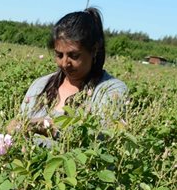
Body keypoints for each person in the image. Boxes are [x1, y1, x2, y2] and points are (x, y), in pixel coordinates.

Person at [13, 7, 127, 137]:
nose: (65, 63)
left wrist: (39, 125)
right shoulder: (40, 85)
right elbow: (15, 127)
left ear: (94, 50)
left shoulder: (110, 90)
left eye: (74, 55)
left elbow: (100, 135)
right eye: (59, 55)